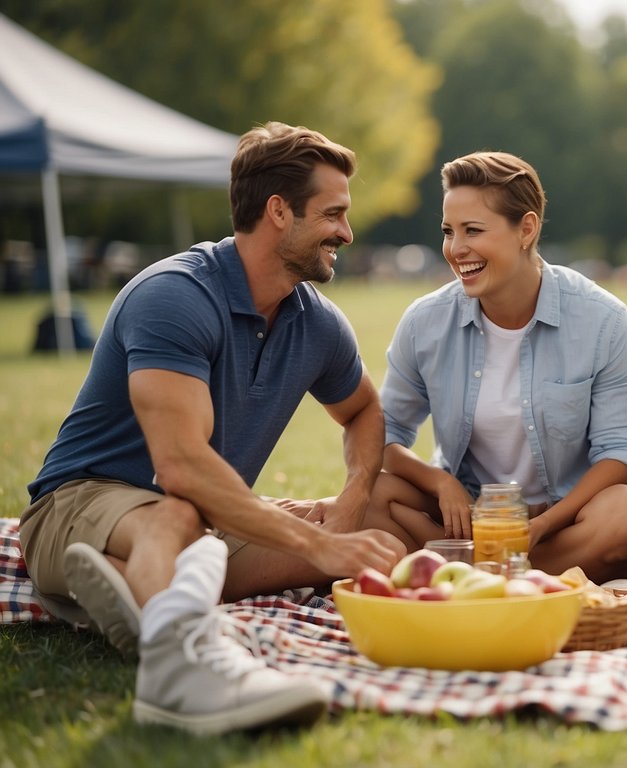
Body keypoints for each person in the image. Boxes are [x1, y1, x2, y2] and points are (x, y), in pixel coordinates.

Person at [19, 122, 405, 734]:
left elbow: (363, 410)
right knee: (182, 518)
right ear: (279, 211)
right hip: (79, 505)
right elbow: (181, 468)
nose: (347, 233)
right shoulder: (174, 296)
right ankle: (189, 669)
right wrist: (315, 541)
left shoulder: (318, 324)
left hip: (207, 521)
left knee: (362, 536)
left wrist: (352, 499)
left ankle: (133, 599)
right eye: (333, 214)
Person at [365, 151, 627, 583]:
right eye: (449, 231)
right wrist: (437, 482)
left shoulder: (603, 321)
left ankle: (463, 577)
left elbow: (622, 454)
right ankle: (520, 579)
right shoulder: (425, 322)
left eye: (473, 230)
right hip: (464, 517)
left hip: (562, 522)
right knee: (370, 494)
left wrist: (542, 525)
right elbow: (382, 434)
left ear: (526, 229)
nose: (455, 249)